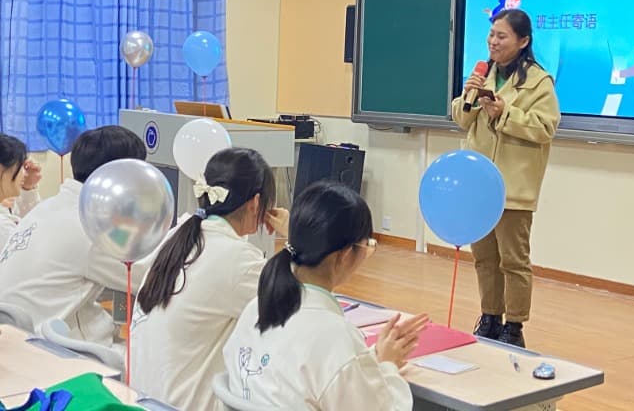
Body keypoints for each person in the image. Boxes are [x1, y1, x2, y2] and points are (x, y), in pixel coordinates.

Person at [223, 181, 428, 410]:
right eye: (368, 246)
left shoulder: (255, 309)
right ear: (345, 255)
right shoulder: (334, 336)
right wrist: (388, 367)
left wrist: (370, 358)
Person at [130, 147, 286, 411]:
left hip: (142, 399)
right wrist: (293, 238)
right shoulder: (237, 259)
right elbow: (296, 306)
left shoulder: (180, 235)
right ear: (256, 203)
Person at [452, 9, 560, 348]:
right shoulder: (483, 74)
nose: (493, 42)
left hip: (514, 186)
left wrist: (506, 113)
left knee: (513, 260)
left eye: (501, 36)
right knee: (484, 257)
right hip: (479, 185)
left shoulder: (539, 82)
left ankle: (514, 325)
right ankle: (490, 316)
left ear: (523, 41)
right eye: (491, 35)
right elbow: (462, 120)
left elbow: (545, 128)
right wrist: (468, 96)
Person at [0, 126, 146, 345]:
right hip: (51, 348)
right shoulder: (92, 227)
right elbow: (147, 278)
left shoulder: (51, 207)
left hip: (19, 338)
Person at [0, 134, 42, 249]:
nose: (25, 173)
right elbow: (32, 247)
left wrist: (28, 188)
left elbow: (29, 221)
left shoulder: (5, 210)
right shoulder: (3, 228)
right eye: (21, 166)